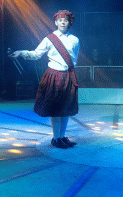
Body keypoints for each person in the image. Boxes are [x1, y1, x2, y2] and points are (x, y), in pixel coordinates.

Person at [10, 10, 80, 149]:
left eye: (65, 20)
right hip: (54, 75)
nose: (62, 22)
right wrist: (22, 52)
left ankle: (63, 136)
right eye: (60, 20)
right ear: (55, 22)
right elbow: (36, 54)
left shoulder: (75, 40)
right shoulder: (49, 39)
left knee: (65, 108)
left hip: (68, 76)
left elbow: (74, 59)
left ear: (69, 22)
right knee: (55, 109)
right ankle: (56, 138)